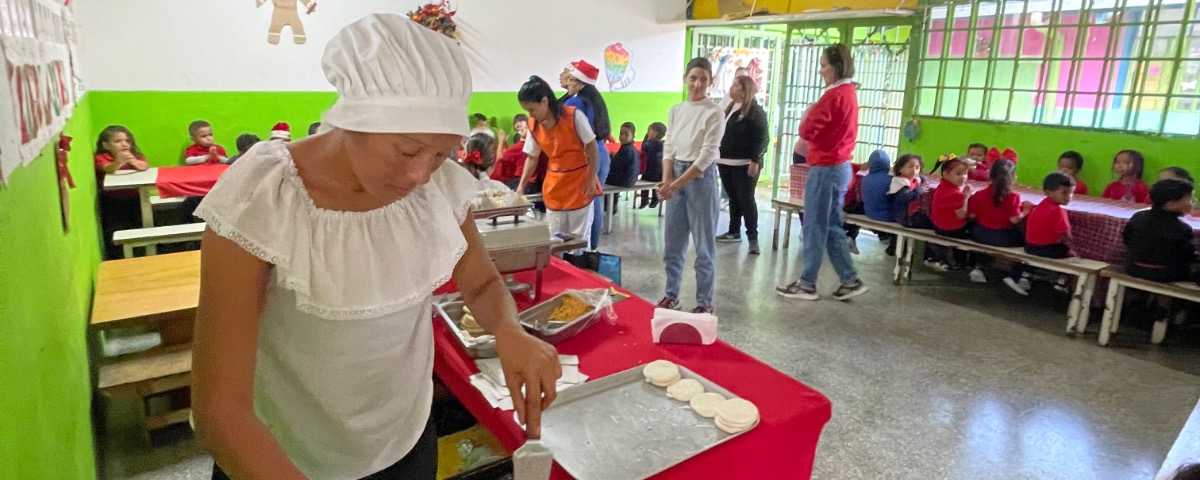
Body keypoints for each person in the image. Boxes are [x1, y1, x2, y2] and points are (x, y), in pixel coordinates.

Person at [190, 15, 560, 480]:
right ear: (352, 121)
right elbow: (219, 410)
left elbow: (481, 282)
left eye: (441, 154)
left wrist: (509, 330)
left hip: (405, 445)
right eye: (407, 151)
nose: (421, 175)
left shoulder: (438, 188)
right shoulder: (265, 196)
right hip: (280, 458)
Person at [776, 44, 868, 302]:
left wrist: (807, 115)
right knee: (830, 225)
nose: (821, 71)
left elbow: (806, 130)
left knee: (815, 224)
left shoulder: (834, 95)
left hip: (826, 167)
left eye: (824, 65)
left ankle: (807, 284)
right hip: (839, 167)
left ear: (836, 66)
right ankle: (849, 279)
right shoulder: (849, 93)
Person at [656, 57, 725, 314]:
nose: (697, 84)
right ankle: (671, 294)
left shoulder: (714, 112)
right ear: (686, 78)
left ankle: (704, 302)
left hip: (700, 178)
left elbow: (707, 155)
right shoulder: (676, 110)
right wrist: (666, 180)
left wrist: (675, 183)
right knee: (673, 244)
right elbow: (670, 146)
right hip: (675, 175)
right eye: (693, 78)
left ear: (710, 82)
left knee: (704, 246)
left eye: (703, 80)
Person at [515, 76, 601, 247]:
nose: (530, 115)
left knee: (578, 242)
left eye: (532, 109)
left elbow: (592, 148)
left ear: (545, 101)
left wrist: (591, 178)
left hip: (580, 185)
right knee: (554, 240)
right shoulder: (534, 125)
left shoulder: (574, 117)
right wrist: (521, 186)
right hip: (554, 187)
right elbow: (532, 157)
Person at [715, 75, 769, 254]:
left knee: (746, 200)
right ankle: (733, 231)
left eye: (737, 85)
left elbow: (762, 138)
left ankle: (753, 238)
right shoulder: (730, 106)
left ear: (745, 90)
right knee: (733, 198)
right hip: (725, 161)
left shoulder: (755, 111)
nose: (733, 87)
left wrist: (755, 160)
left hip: (744, 163)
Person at [562, 60, 613, 250]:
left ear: (579, 82)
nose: (568, 84)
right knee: (594, 202)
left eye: (571, 80)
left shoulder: (575, 102)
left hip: (587, 155)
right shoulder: (595, 99)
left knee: (585, 205)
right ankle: (593, 247)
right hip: (601, 153)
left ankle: (584, 248)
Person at [1004, 172, 1077, 296]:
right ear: (1049, 193)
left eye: (1071, 193)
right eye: (1065, 192)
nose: (1069, 196)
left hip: (1029, 246)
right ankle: (1061, 282)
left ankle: (1019, 276)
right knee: (1070, 254)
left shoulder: (1039, 206)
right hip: (1046, 249)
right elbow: (1066, 234)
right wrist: (1073, 249)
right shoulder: (1058, 211)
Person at [968, 159, 1034, 283]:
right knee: (1028, 240)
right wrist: (1025, 211)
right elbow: (1014, 220)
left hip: (979, 235)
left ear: (990, 175)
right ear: (1014, 177)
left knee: (979, 229)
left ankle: (978, 267)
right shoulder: (1014, 197)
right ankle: (1021, 274)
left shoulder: (979, 194)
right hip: (1004, 238)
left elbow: (972, 215)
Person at [94, 125, 151, 259]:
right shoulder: (103, 157)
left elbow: (145, 166)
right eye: (118, 141)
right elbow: (108, 169)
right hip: (112, 199)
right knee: (116, 227)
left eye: (127, 141)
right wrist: (118, 161)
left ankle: (140, 251)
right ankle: (117, 254)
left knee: (137, 223)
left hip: (134, 196)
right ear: (106, 145)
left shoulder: (136, 155)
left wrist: (132, 160)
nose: (124, 144)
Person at [930, 158, 974, 271]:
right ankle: (962, 262)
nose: (963, 177)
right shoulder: (955, 194)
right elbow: (961, 215)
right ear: (945, 174)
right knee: (977, 230)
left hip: (937, 225)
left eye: (965, 173)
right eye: (958, 174)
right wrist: (966, 197)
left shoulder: (942, 186)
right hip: (950, 229)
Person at [860, 150, 896, 253]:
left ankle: (884, 237)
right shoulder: (892, 179)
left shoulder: (865, 179)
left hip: (869, 213)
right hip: (887, 216)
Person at [491, 115, 530, 189]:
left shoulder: (520, 146)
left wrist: (501, 141)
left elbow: (499, 157)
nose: (521, 129)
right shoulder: (531, 144)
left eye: (524, 127)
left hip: (521, 180)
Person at [638, 122, 666, 209]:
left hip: (651, 172)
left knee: (645, 179)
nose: (647, 132)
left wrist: (646, 137)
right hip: (659, 173)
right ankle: (654, 199)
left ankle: (644, 200)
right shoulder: (663, 144)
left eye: (649, 130)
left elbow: (644, 146)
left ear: (655, 133)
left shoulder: (651, 143)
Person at [608, 122, 640, 188]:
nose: (622, 136)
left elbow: (614, 166)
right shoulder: (632, 149)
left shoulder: (626, 150)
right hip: (630, 181)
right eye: (621, 134)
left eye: (626, 135)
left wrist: (611, 157)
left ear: (633, 137)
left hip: (623, 182)